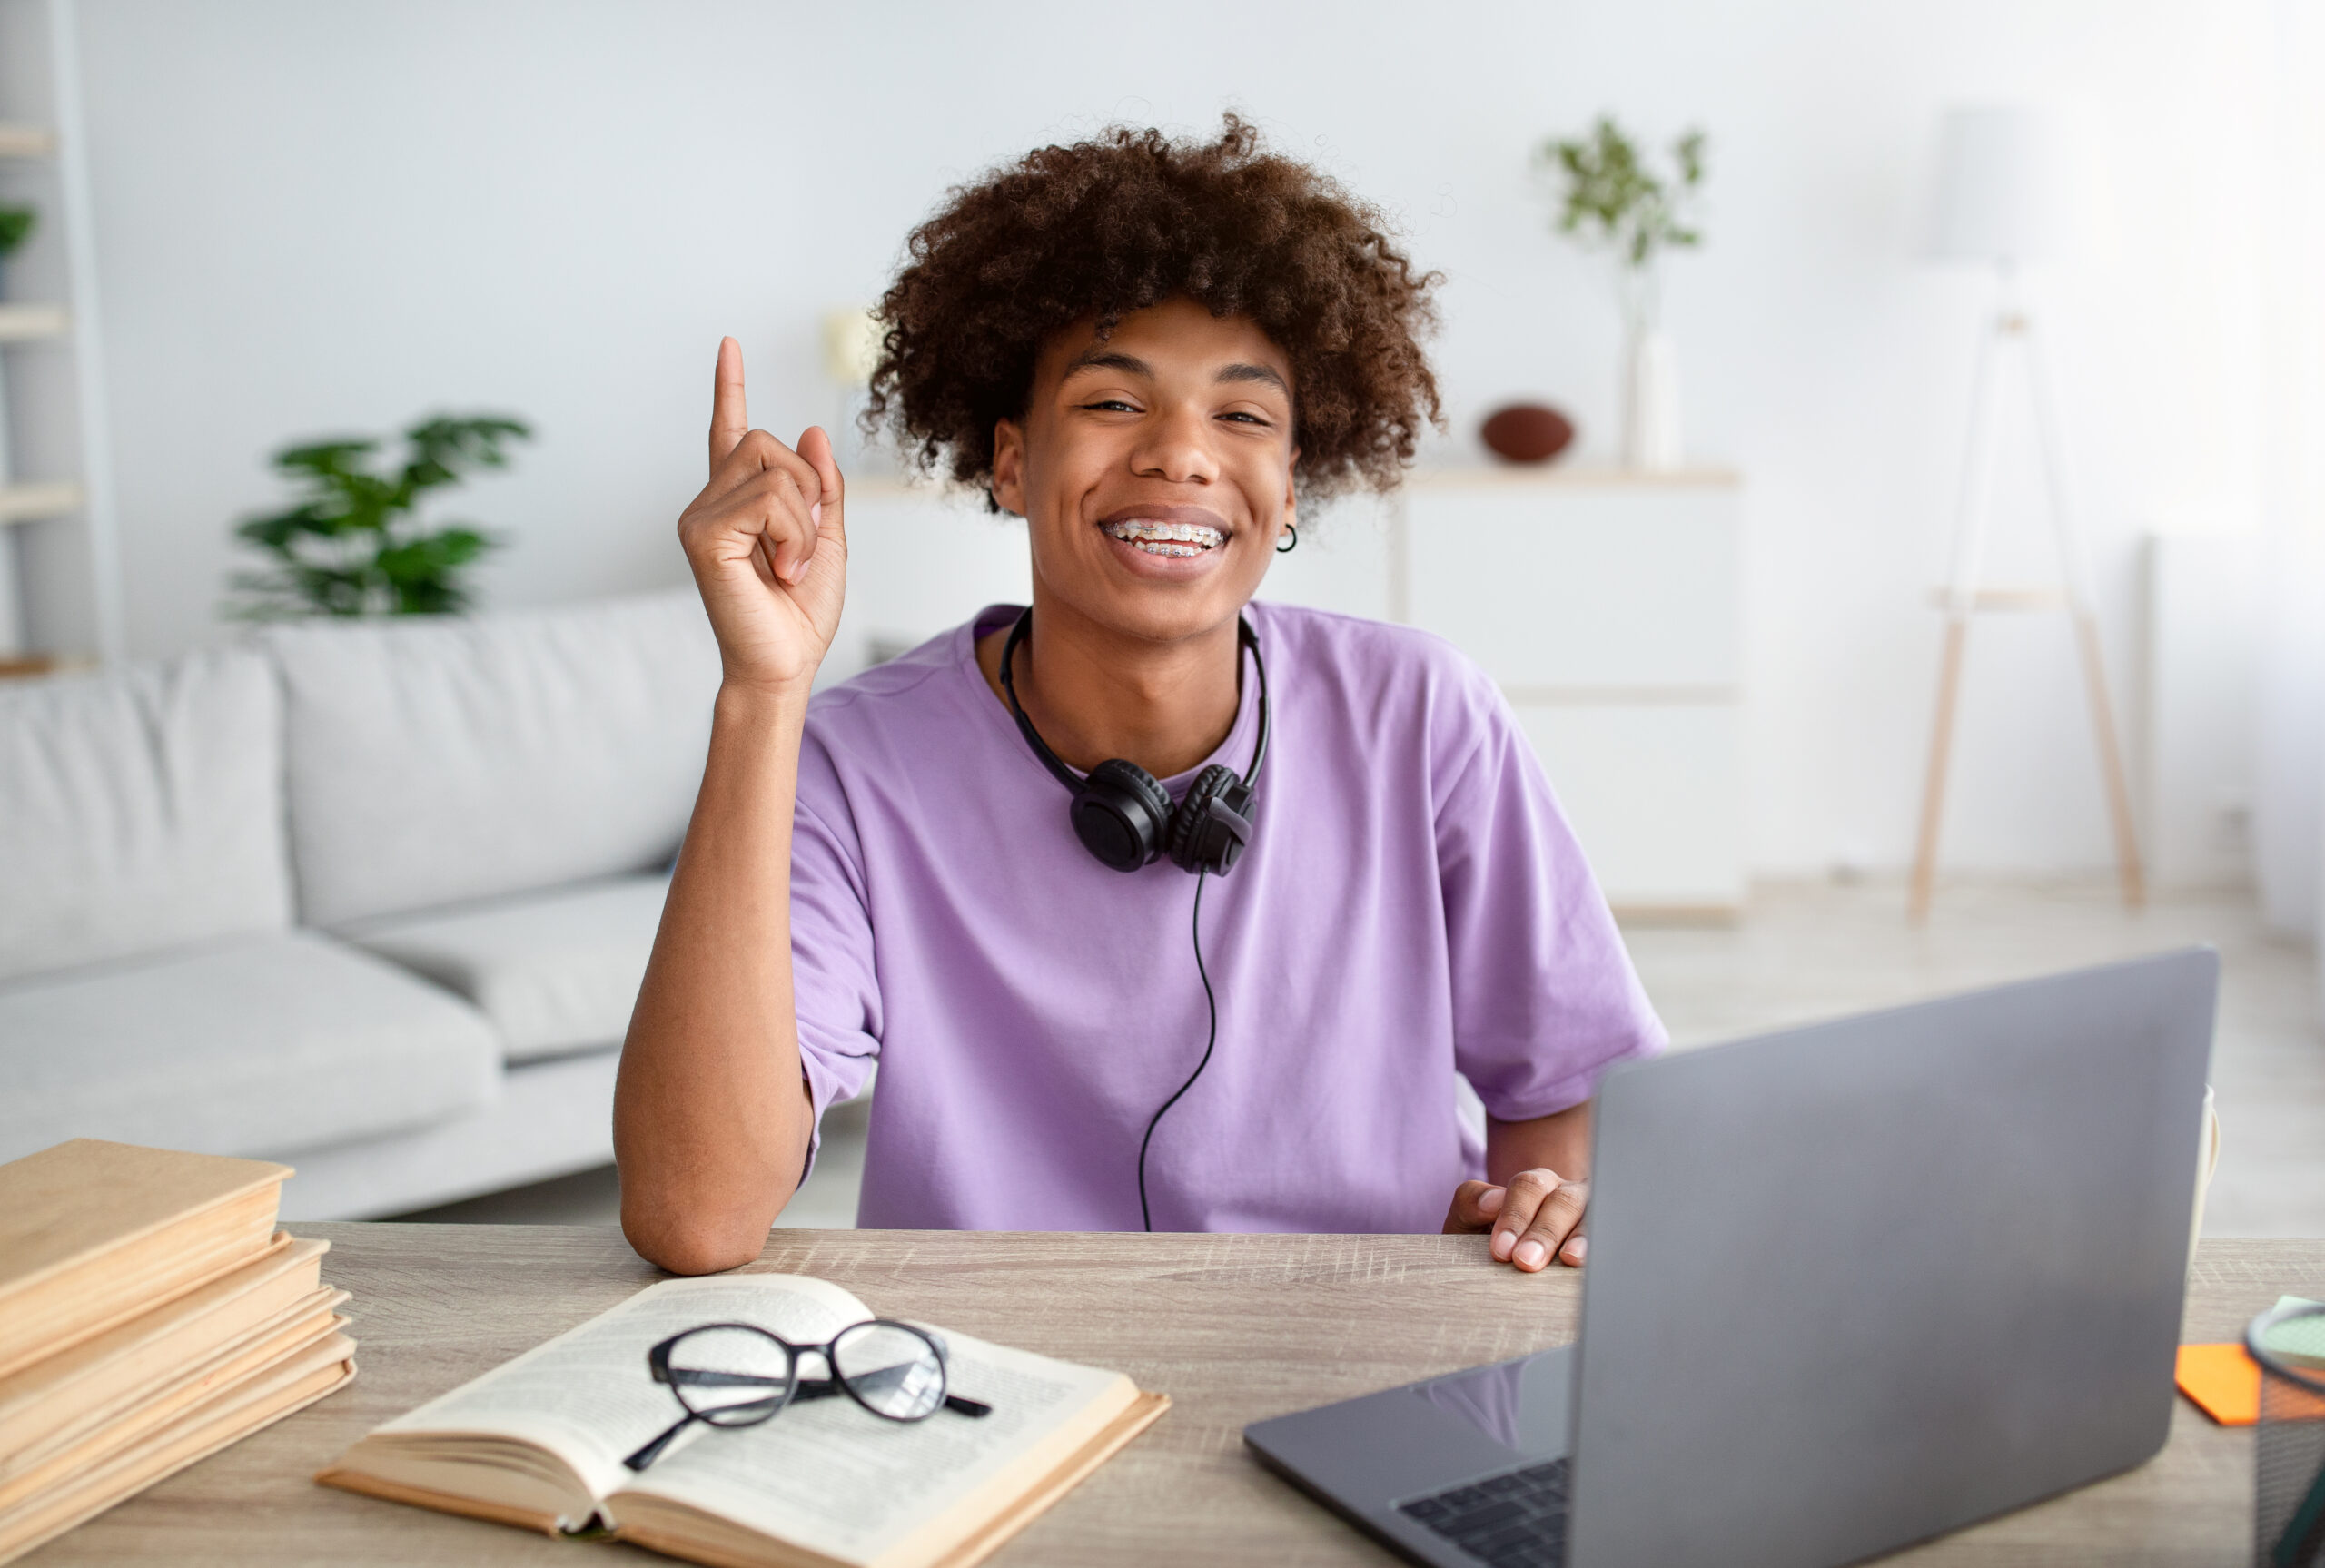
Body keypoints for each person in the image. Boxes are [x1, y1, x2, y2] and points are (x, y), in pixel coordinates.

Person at [615, 118, 1665, 1277]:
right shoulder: (853, 765)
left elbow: (1561, 1094)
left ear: (1293, 481)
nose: (1181, 453)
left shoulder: (1421, 716)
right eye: (1115, 403)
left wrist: (1536, 1220)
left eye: (1244, 414)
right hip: (994, 1390)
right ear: (1011, 461)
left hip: (1359, 1353)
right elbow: (695, 1215)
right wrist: (763, 693)